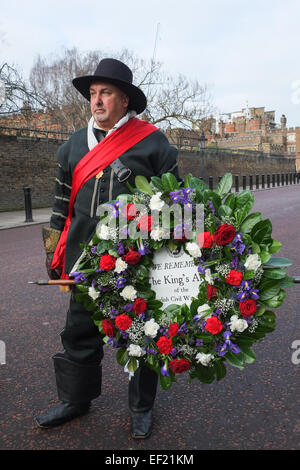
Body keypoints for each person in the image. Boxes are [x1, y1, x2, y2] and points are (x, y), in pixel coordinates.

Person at [36, 58, 180, 439]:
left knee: (140, 334)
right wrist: (53, 253)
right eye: (93, 94)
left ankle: (140, 408)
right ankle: (75, 400)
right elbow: (59, 204)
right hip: (83, 260)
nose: (97, 101)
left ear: (124, 100)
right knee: (78, 332)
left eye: (106, 93)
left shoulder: (153, 142)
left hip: (136, 262)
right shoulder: (71, 146)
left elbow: (174, 203)